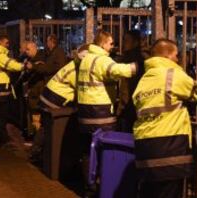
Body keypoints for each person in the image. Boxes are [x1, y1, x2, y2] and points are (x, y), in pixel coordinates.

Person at [133, 38, 197, 198]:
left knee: (148, 192)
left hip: (144, 145)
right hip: (170, 145)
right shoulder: (174, 74)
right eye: (177, 56)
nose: (178, 60)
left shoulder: (144, 79)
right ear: (170, 56)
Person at [77, 30, 136, 195]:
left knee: (87, 149)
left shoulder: (86, 59)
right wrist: (139, 65)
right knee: (104, 149)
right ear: (102, 44)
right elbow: (119, 70)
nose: (113, 46)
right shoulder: (101, 59)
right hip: (100, 111)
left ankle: (88, 185)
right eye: (111, 43)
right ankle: (102, 186)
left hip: (85, 110)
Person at [0, 35, 31, 147]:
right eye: (6, 43)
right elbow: (10, 65)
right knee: (2, 115)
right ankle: (4, 140)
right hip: (0, 87)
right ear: (0, 42)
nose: (8, 45)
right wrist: (24, 66)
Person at [116, 30, 148, 133]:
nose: (123, 43)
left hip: (130, 106)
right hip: (137, 105)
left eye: (127, 40)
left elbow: (126, 87)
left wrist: (122, 106)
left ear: (135, 42)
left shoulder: (133, 59)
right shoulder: (135, 58)